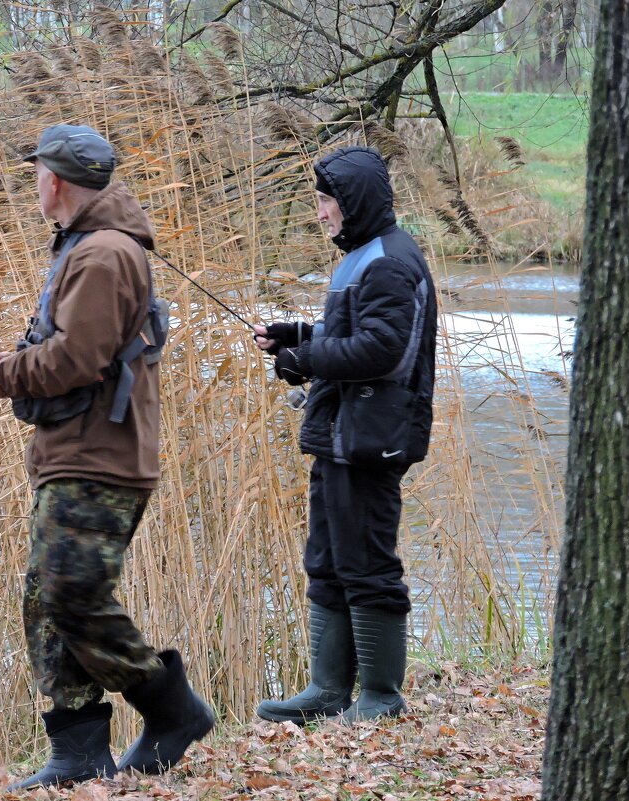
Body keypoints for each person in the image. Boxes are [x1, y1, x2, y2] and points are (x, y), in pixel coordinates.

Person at [0, 124, 214, 790]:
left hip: (101, 455)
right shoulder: (87, 246)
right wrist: (11, 362)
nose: (35, 182)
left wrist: (4, 377)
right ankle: (77, 751)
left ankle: (172, 707)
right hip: (77, 449)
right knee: (47, 598)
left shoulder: (103, 254)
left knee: (72, 594)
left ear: (58, 180)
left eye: (38, 172)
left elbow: (79, 358)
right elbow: (74, 344)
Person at [252, 146, 437, 725]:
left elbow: (383, 350)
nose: (319, 212)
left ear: (352, 201)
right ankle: (328, 691)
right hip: (341, 434)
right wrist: (299, 334)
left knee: (366, 562)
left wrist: (305, 355)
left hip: (370, 438)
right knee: (328, 558)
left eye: (325, 200)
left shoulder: (389, 261)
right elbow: (352, 332)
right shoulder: (363, 256)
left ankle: (380, 696)